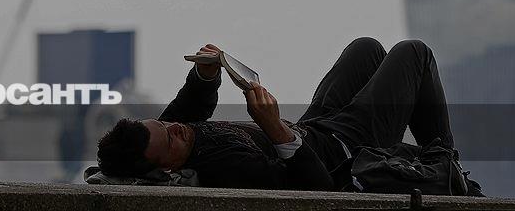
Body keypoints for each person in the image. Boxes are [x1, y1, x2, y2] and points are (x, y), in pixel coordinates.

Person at [96, 37, 483, 194]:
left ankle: (439, 164)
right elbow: (316, 189)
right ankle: (446, 165)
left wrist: (206, 72)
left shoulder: (173, 135)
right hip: (346, 150)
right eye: (170, 139)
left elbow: (189, 105)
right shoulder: (226, 167)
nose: (176, 128)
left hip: (318, 127)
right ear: (166, 169)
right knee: (414, 54)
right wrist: (273, 127)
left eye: (165, 124)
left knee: (366, 49)